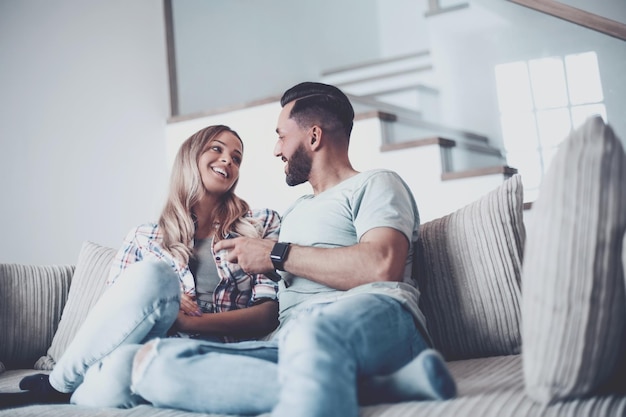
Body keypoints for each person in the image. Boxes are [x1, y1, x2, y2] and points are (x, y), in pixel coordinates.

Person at [123, 82, 456, 417]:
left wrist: (276, 254)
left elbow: (382, 265)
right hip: (289, 338)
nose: (276, 150)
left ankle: (332, 382)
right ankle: (380, 387)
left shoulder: (375, 183)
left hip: (370, 316)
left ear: (313, 137)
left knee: (313, 335)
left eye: (282, 135)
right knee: (156, 366)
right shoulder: (293, 212)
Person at [3, 125, 281, 408]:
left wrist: (190, 321)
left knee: (124, 365)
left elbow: (268, 313)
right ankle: (60, 385)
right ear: (191, 155)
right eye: (217, 148)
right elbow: (115, 314)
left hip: (194, 358)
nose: (228, 161)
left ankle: (55, 387)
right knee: (154, 277)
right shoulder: (144, 236)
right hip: (140, 347)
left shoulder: (259, 224)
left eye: (236, 158)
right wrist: (166, 299)